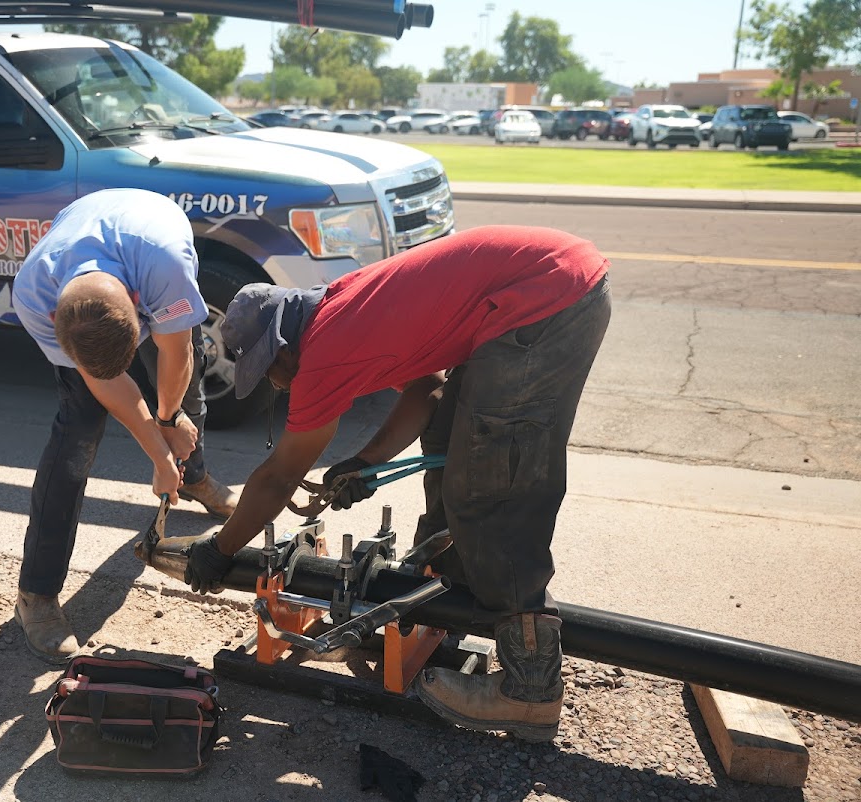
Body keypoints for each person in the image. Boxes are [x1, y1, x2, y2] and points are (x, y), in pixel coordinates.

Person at [183, 225, 612, 742]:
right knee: (454, 442)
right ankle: (453, 595)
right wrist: (364, 461)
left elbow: (278, 477)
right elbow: (428, 389)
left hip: (545, 298)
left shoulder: (326, 347)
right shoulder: (346, 309)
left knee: (490, 486)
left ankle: (531, 689)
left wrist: (222, 548)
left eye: (270, 371)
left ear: (282, 347)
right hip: (549, 284)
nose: (276, 384)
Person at [11, 188, 238, 663]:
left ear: (142, 311)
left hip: (146, 240)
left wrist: (169, 418)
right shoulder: (34, 294)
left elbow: (176, 354)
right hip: (92, 271)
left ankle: (192, 478)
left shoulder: (165, 270)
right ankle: (36, 593)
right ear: (56, 322)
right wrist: (158, 453)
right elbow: (108, 386)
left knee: (186, 397)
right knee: (76, 435)